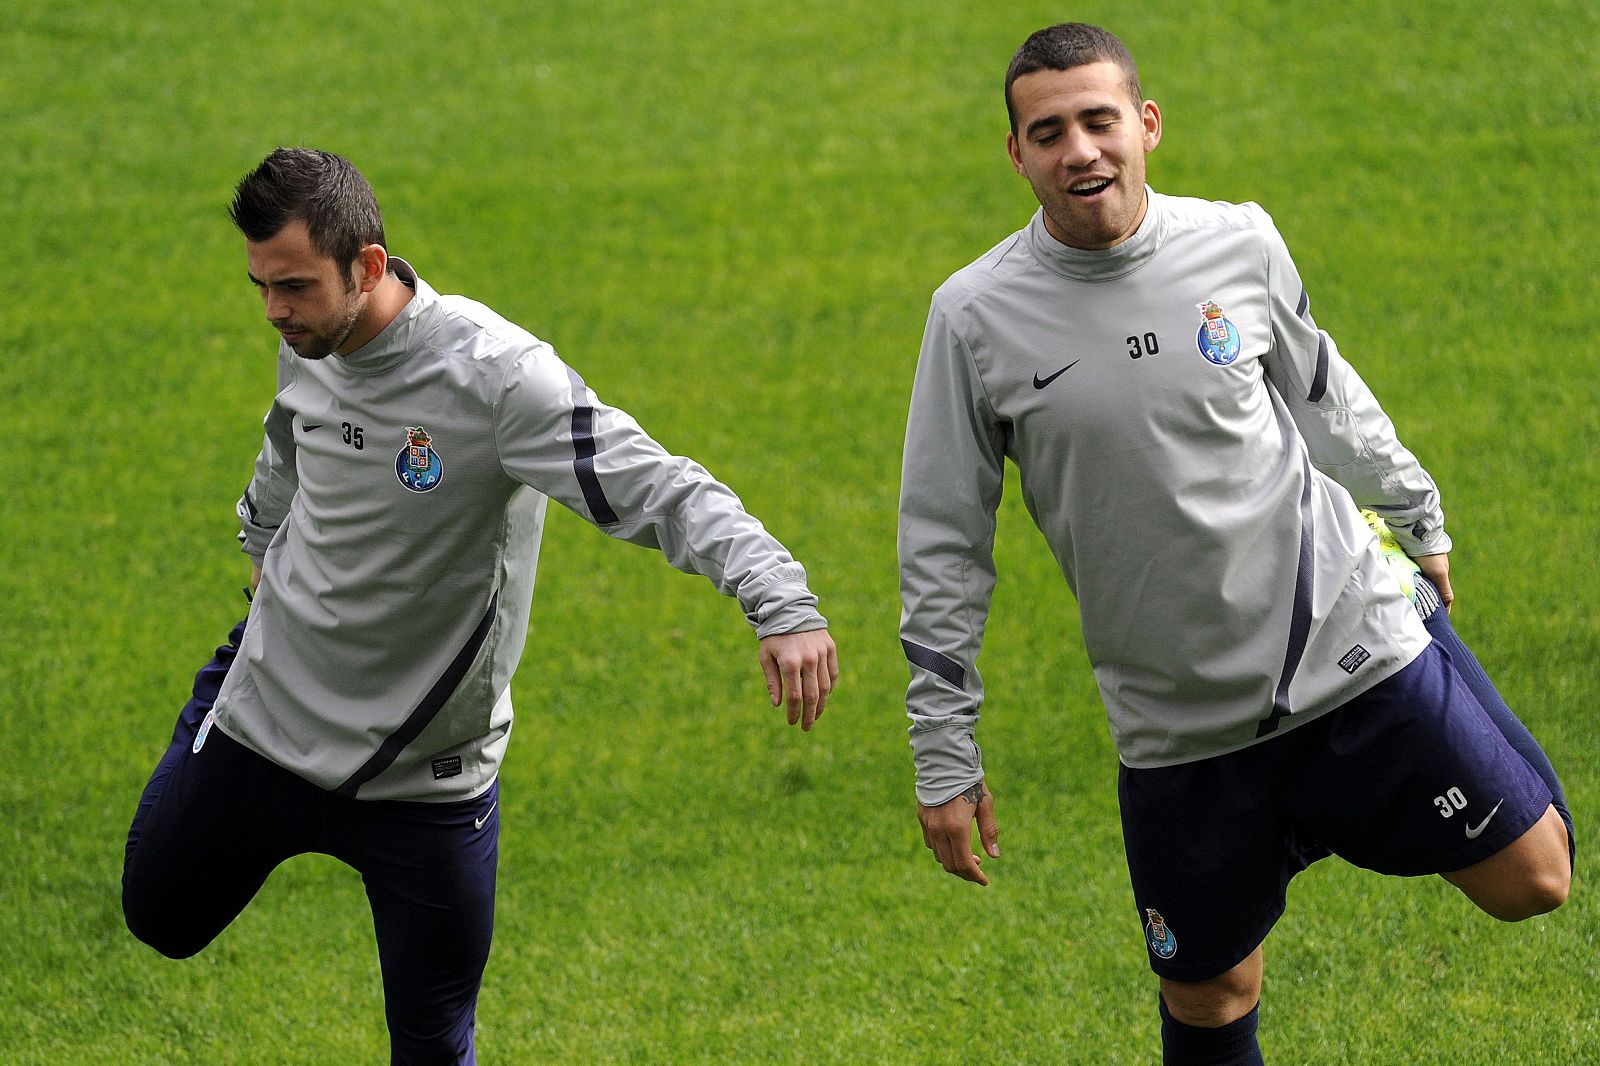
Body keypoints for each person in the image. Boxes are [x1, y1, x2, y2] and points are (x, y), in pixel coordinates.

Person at [897, 24, 1571, 1065]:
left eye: (1097, 120)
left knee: (1535, 881)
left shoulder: (1238, 242)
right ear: (1016, 153)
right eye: (1047, 131)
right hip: (1180, 725)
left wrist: (1415, 509)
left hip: (1347, 654)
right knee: (1209, 993)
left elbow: (1324, 398)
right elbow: (942, 542)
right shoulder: (974, 317)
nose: (1078, 149)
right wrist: (944, 753)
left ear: (1145, 126)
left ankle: (1401, 673)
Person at [123, 147, 839, 1065]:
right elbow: (288, 446)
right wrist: (261, 547)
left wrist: (780, 604)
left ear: (369, 267)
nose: (273, 310)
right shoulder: (308, 333)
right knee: (159, 916)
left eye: (293, 286)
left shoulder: (499, 380)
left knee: (432, 1045)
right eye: (260, 286)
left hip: (425, 779)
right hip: (269, 722)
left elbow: (660, 487)